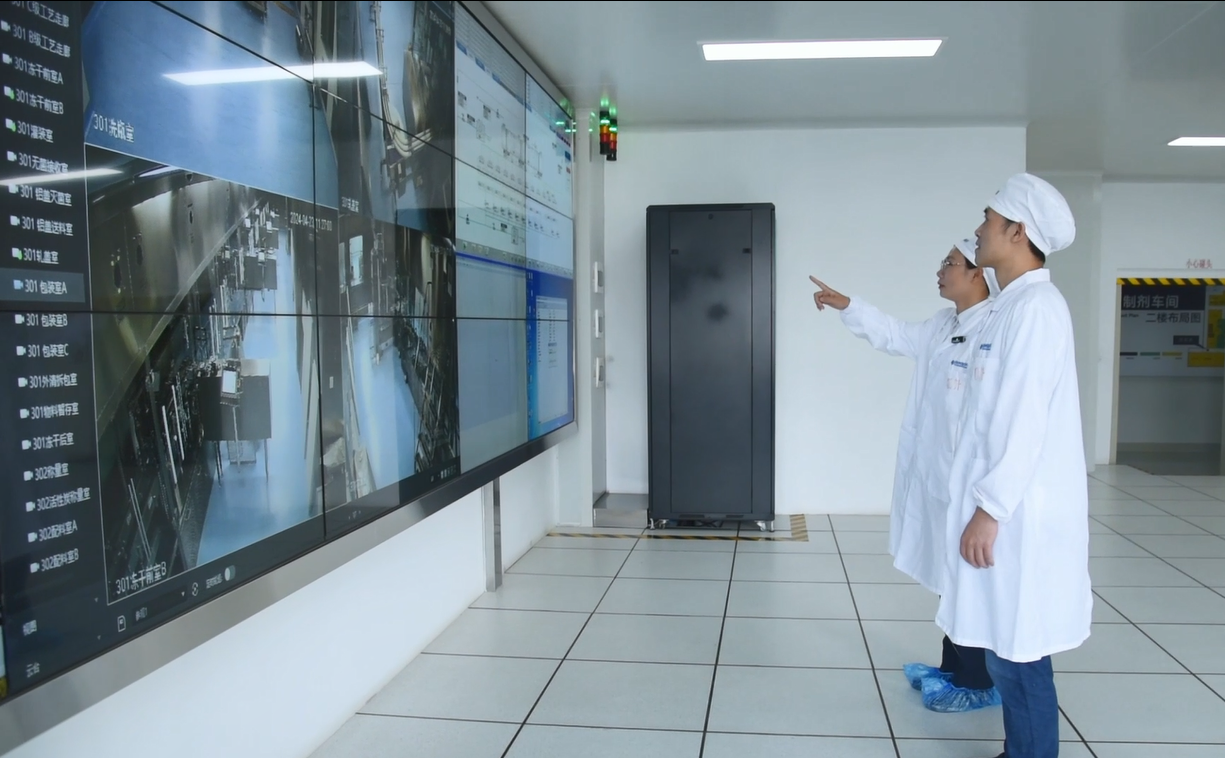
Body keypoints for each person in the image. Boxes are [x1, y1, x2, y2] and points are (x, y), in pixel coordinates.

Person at [809, 238, 1001, 714]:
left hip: (969, 484)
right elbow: (895, 335)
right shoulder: (944, 325)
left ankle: (977, 680)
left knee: (966, 581)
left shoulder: (994, 330)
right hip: (937, 476)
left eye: (950, 263)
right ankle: (953, 668)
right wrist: (848, 305)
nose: (941, 270)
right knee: (947, 575)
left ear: (978, 273)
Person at [941, 173, 1092, 758]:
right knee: (1007, 646)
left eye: (988, 219)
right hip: (1005, 506)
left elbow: (1022, 421)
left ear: (1017, 231)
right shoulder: (1010, 307)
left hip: (1019, 513)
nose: (978, 231)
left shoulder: (1036, 310)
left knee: (1020, 655)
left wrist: (990, 509)